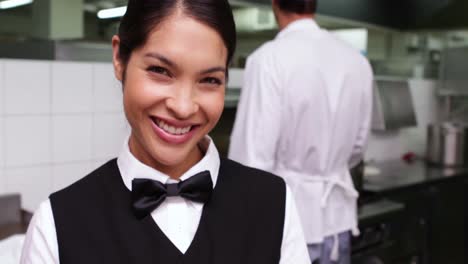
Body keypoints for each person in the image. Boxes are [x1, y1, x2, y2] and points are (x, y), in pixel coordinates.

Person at [20, 0, 312, 263]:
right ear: (120, 60)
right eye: (160, 71)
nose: (183, 108)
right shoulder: (57, 224)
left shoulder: (274, 203)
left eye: (209, 79)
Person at [228, 0, 374, 263]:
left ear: (275, 4)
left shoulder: (268, 58)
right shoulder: (356, 61)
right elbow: (359, 146)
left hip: (288, 221)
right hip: (337, 219)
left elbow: (252, 160)